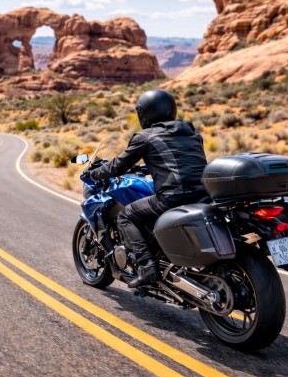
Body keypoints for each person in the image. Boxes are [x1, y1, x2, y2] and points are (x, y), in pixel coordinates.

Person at [89, 89, 208, 288]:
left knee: (126, 216)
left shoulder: (145, 136)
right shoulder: (191, 131)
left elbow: (118, 165)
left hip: (173, 196)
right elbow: (179, 161)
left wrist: (95, 173)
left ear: (144, 113)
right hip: (204, 194)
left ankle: (147, 268)